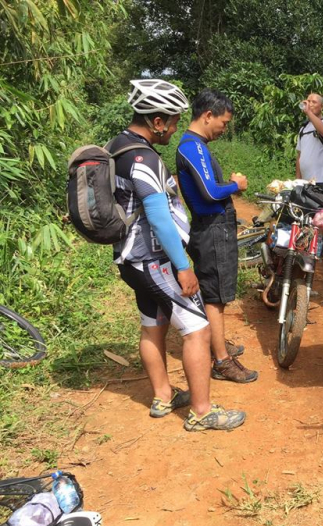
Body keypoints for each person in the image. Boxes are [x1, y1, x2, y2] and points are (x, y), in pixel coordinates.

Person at [112, 79, 246, 432]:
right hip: (152, 259)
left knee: (153, 325)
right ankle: (202, 412)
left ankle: (163, 395)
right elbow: (158, 218)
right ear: (157, 121)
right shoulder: (144, 160)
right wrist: (184, 267)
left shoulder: (118, 147)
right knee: (198, 330)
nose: (174, 128)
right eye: (171, 121)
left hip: (129, 259)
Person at [176, 89, 258, 384]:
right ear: (207, 115)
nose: (224, 129)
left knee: (216, 291)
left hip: (213, 226)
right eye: (223, 122)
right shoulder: (192, 147)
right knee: (215, 296)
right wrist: (235, 185)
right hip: (211, 228)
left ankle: (218, 345)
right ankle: (222, 360)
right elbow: (210, 192)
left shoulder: (194, 146)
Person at [296, 93, 323, 182]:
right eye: (308, 101)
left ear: (322, 107)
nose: (310, 104)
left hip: (322, 181)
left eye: (314, 102)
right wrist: (297, 180)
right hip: (305, 182)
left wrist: (309, 112)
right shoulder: (303, 128)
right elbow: (299, 155)